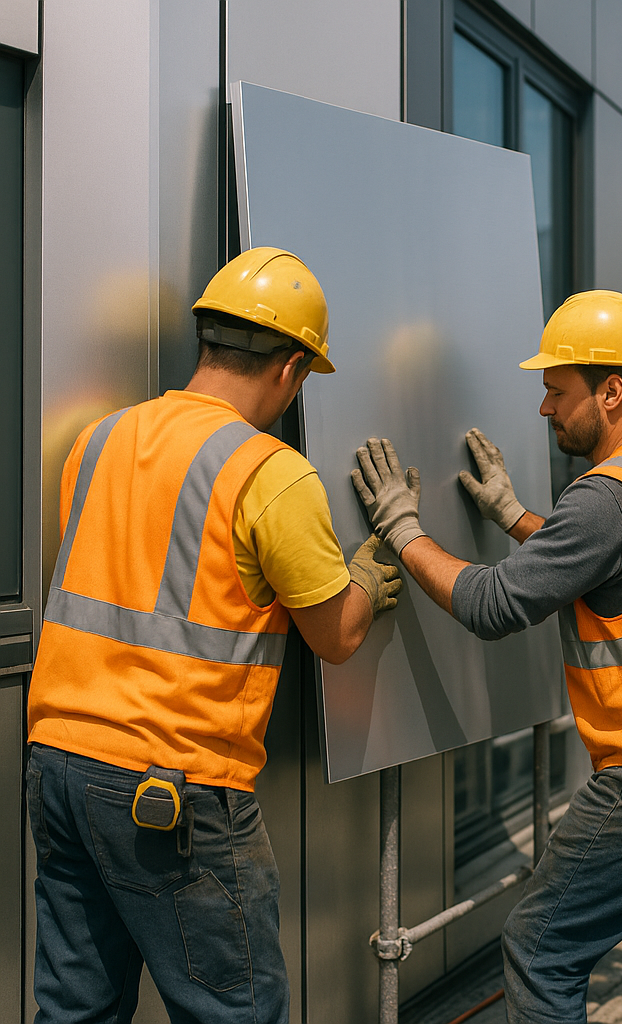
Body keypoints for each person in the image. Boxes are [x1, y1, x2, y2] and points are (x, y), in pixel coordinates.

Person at [351, 289, 622, 1024]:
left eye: (557, 390)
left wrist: (403, 530)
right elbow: (611, 568)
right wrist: (514, 515)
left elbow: (492, 605)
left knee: (540, 945)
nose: (546, 408)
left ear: (610, 391)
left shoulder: (605, 499)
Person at [26, 247, 401, 1024]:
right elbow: (334, 636)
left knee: (75, 1011)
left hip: (58, 767)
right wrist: (366, 576)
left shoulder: (97, 441)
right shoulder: (270, 472)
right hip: (172, 792)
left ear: (208, 342)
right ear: (292, 368)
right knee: (236, 1011)